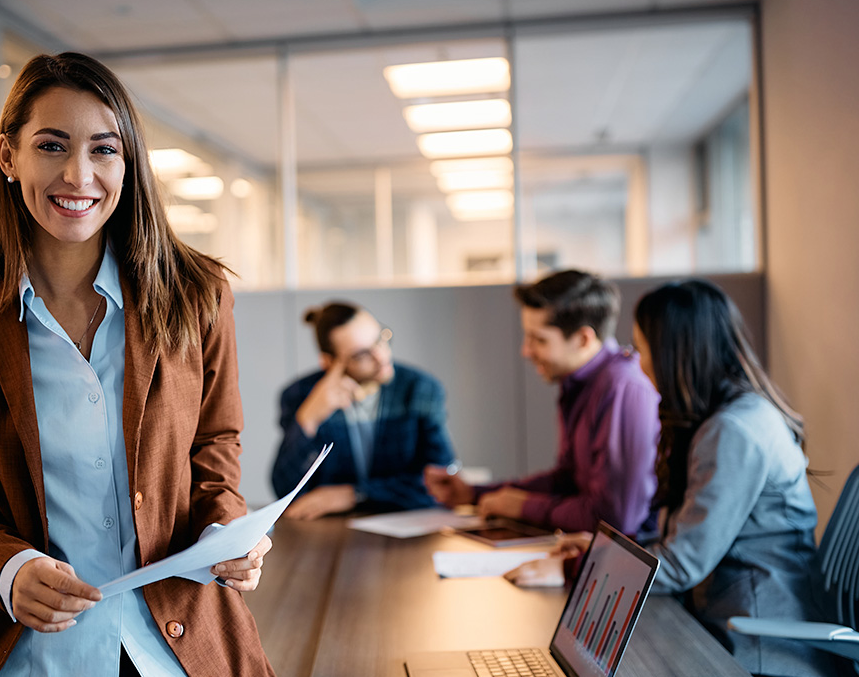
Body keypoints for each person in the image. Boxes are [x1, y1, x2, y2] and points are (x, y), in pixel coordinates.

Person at [0, 52, 274, 677]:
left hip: (177, 645)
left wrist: (227, 532)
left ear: (128, 164)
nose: (78, 174)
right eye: (51, 146)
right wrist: (9, 567)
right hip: (37, 653)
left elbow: (215, 447)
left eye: (104, 149)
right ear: (8, 157)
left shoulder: (197, 296)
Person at [507, 279, 837, 677]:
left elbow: (683, 564)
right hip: (722, 618)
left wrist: (577, 569)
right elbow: (686, 536)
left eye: (641, 349)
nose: (635, 360)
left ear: (672, 355)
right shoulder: (723, 417)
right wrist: (600, 551)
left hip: (756, 643)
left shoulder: (735, 430)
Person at [424, 270, 659, 535]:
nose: (526, 351)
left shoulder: (623, 389)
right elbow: (567, 481)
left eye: (539, 340)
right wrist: (474, 493)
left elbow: (616, 519)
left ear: (583, 339)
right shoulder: (579, 383)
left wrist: (524, 507)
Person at [271, 302, 455, 520]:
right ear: (329, 362)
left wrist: (355, 494)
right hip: (330, 532)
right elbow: (284, 490)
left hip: (406, 526)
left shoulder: (420, 389)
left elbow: (442, 484)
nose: (382, 357)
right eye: (361, 355)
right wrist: (308, 419)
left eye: (380, 339)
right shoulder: (300, 395)